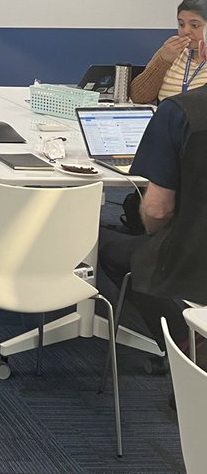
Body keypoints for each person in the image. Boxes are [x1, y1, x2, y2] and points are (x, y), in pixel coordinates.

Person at [99, 34, 207, 354]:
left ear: (202, 49)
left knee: (112, 245)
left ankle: (183, 345)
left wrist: (155, 234)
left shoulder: (179, 112)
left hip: (195, 256)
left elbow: (158, 212)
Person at [129, 0, 207, 104]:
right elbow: (138, 97)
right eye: (181, 24)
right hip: (167, 119)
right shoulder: (171, 52)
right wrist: (163, 61)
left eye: (194, 25)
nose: (185, 31)